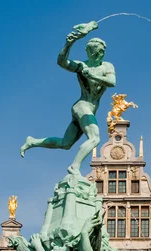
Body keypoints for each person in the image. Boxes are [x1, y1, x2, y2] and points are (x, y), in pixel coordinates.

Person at [20, 22, 116, 176]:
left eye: (99, 52)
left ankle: (33, 141)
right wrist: (69, 43)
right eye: (94, 52)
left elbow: (112, 82)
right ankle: (74, 167)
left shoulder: (107, 66)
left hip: (88, 109)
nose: (98, 55)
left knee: (65, 144)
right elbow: (62, 62)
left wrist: (92, 75)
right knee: (95, 138)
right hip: (82, 107)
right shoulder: (81, 66)